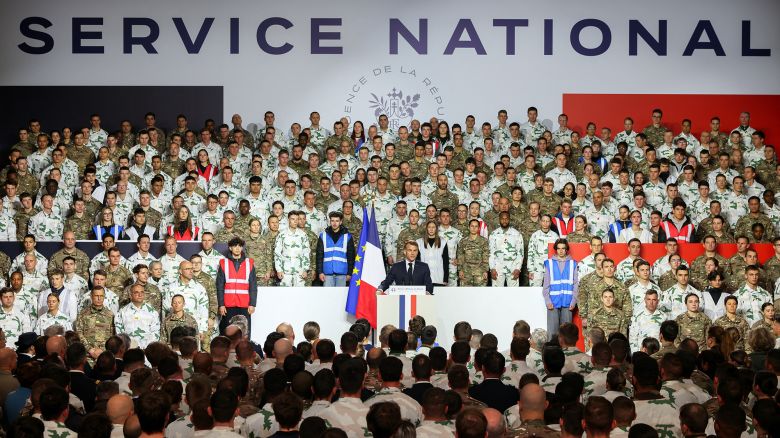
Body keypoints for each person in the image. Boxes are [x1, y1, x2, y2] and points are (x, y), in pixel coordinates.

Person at [216, 237, 257, 335]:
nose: (237, 248)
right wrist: (221, 304)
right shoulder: (223, 263)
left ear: (242, 248)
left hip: (244, 304)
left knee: (244, 332)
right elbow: (220, 286)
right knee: (227, 332)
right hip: (228, 304)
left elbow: (253, 285)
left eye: (239, 246)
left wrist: (252, 304)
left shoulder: (249, 263)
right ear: (230, 248)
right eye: (235, 246)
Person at [542, 239, 578, 336]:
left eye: (563, 248)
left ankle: (567, 352)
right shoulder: (549, 263)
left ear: (566, 249)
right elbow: (546, 285)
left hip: (568, 303)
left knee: (567, 334)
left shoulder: (573, 263)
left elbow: (575, 284)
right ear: (556, 249)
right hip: (553, 302)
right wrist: (547, 301)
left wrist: (574, 301)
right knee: (552, 333)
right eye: (558, 248)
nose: (561, 251)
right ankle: (552, 351)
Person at [315, 212, 356, 287]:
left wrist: (350, 273)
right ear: (329, 222)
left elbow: (351, 257)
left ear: (340, 222)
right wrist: (320, 272)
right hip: (327, 273)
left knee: (340, 297)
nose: (334, 223)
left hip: (342, 273)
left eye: (337, 221)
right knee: (327, 297)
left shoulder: (347, 236)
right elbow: (319, 256)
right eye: (332, 221)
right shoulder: (323, 236)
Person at [416, 221, 449, 287]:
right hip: (423, 278)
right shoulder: (419, 242)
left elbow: (446, 261)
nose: (431, 229)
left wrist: (445, 278)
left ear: (436, 229)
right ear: (426, 229)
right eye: (429, 227)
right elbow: (417, 262)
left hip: (439, 278)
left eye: (433, 227)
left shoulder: (443, 242)